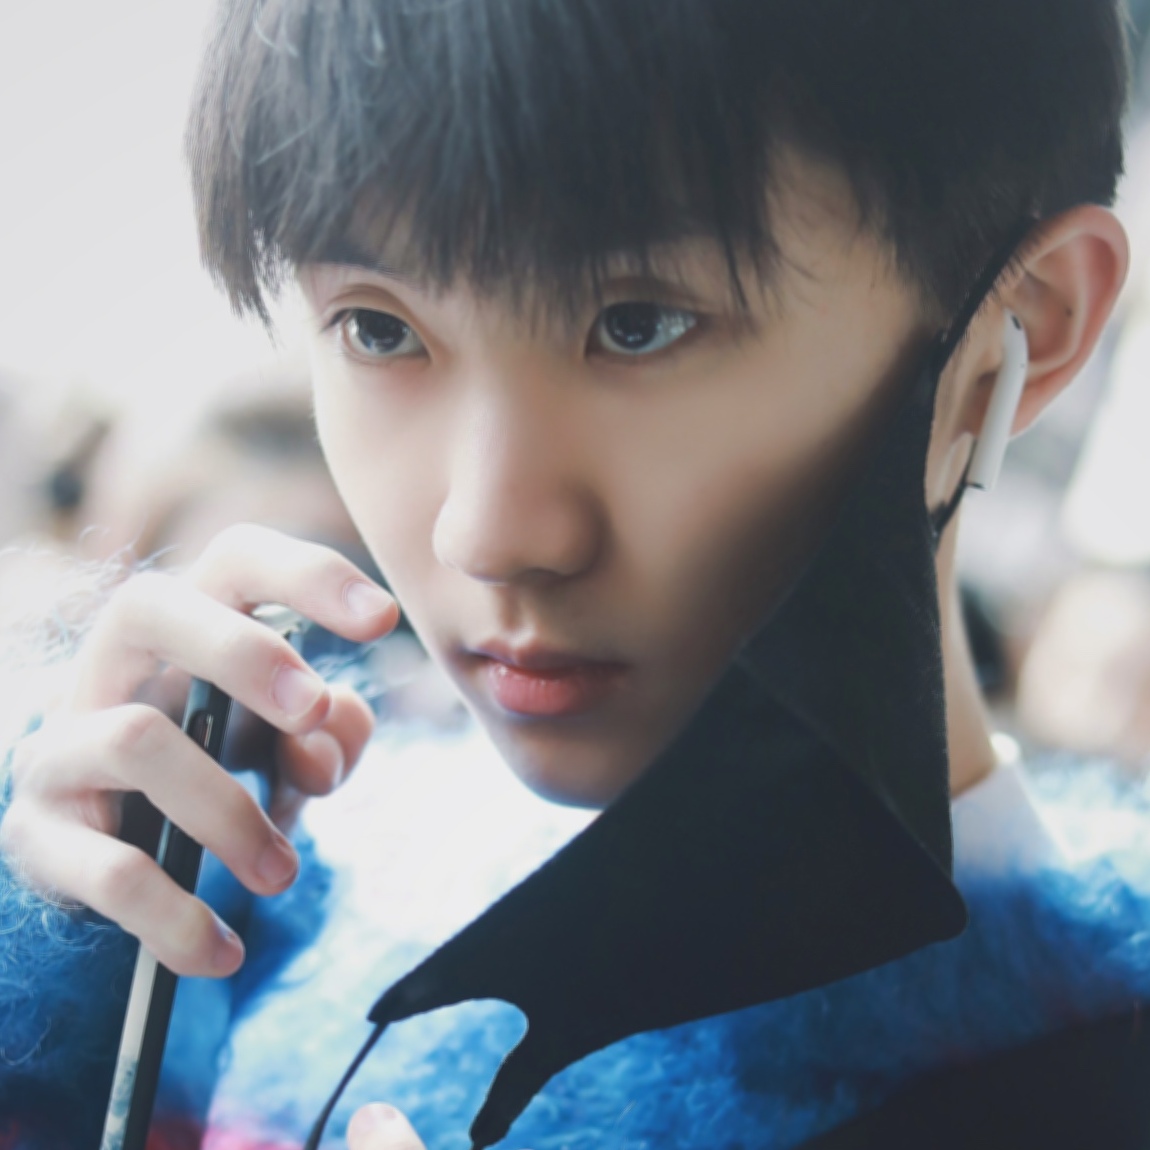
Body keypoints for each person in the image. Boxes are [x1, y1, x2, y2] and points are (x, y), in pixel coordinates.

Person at [1, 0, 1147, 1147]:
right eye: (377, 329)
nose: (488, 534)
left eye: (639, 323)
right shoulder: (271, 892)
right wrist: (74, 981)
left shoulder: (1086, 1073)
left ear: (1028, 321)